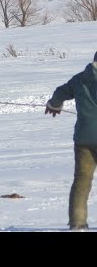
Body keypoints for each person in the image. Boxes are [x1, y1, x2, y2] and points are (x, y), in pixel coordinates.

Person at [45, 51, 97, 230]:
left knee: (82, 180)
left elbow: (60, 92)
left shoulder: (80, 78)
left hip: (84, 139)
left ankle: (77, 223)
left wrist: (54, 104)